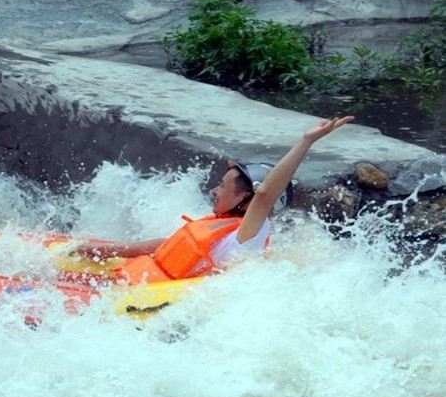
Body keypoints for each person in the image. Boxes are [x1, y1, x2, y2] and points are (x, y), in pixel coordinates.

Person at [75, 116, 355, 284]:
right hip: (145, 280)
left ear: (246, 197)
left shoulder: (248, 236)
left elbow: (267, 194)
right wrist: (116, 250)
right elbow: (168, 246)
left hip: (161, 299)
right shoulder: (222, 224)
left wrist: (306, 142)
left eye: (222, 186)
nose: (215, 191)